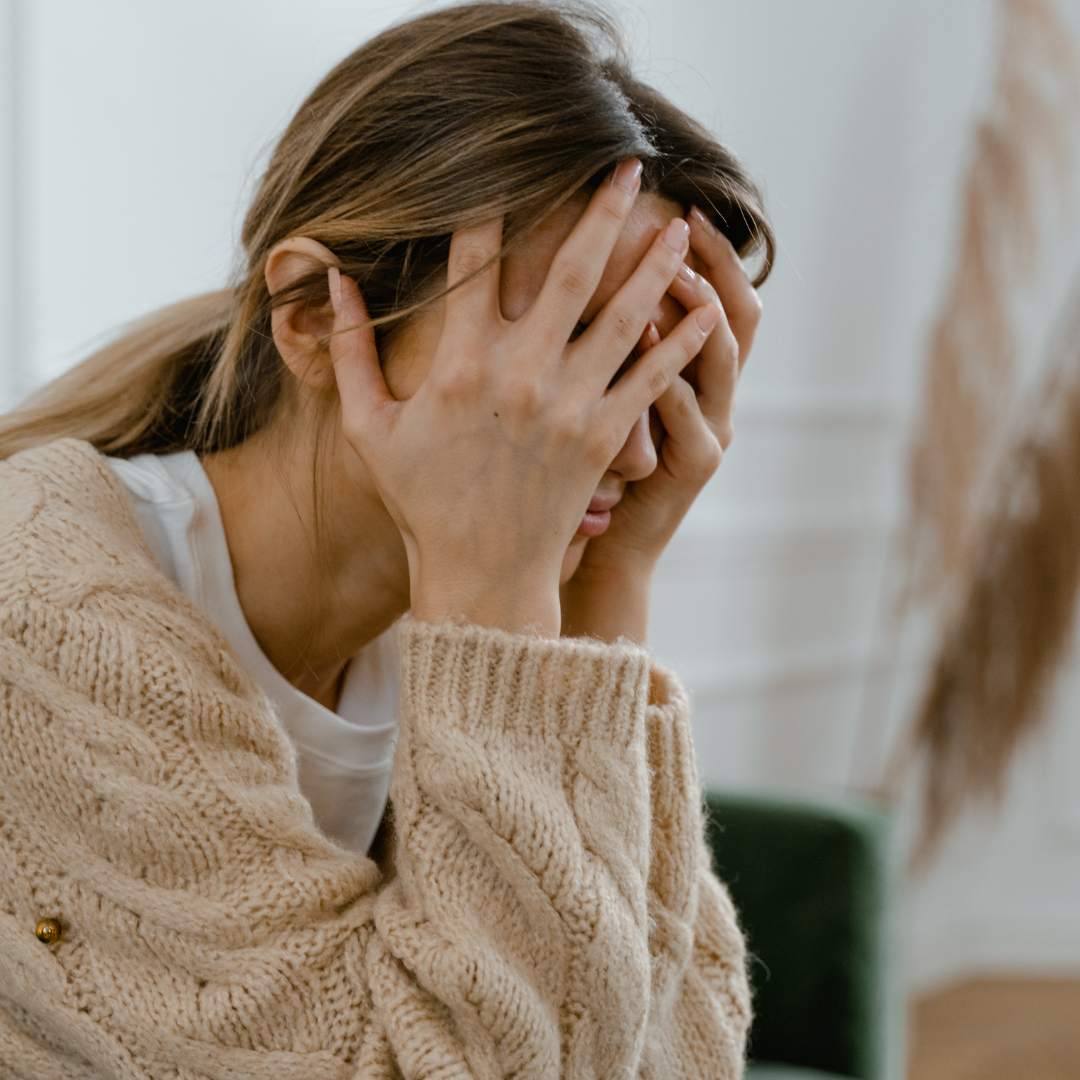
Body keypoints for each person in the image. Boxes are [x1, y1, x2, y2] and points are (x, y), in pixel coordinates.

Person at [0, 3, 773, 1076]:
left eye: (666, 369)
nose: (630, 448)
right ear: (316, 315)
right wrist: (505, 613)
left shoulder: (466, 608)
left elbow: (673, 1057)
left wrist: (611, 591)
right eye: (567, 348)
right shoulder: (42, 602)